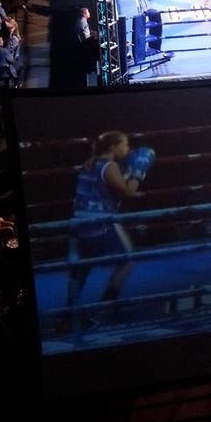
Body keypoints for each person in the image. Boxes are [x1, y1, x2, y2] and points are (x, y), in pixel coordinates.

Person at [69, 130, 156, 308]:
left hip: (78, 220)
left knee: (82, 267)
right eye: (124, 144)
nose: (128, 148)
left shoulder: (90, 163)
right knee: (127, 259)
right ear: (112, 146)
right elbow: (127, 192)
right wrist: (138, 172)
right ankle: (106, 306)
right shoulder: (109, 166)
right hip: (101, 221)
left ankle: (69, 312)